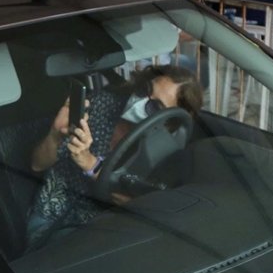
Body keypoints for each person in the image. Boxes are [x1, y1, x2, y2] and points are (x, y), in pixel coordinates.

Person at [26, 65, 202, 249]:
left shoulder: (166, 148)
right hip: (53, 210)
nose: (141, 101)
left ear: (171, 118)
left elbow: (146, 202)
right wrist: (55, 135)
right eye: (145, 90)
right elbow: (37, 164)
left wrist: (90, 164)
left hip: (100, 226)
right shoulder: (99, 104)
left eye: (155, 106)